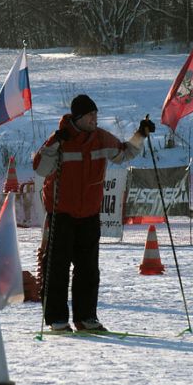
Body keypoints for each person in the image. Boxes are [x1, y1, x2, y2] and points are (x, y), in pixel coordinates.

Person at [33, 94, 155, 332]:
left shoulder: (101, 138)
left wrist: (141, 134)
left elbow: (124, 153)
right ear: (78, 118)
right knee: (56, 268)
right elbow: (41, 169)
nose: (94, 119)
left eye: (96, 115)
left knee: (88, 269)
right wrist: (54, 143)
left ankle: (86, 317)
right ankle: (57, 319)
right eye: (90, 115)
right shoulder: (60, 139)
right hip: (61, 214)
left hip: (89, 214)